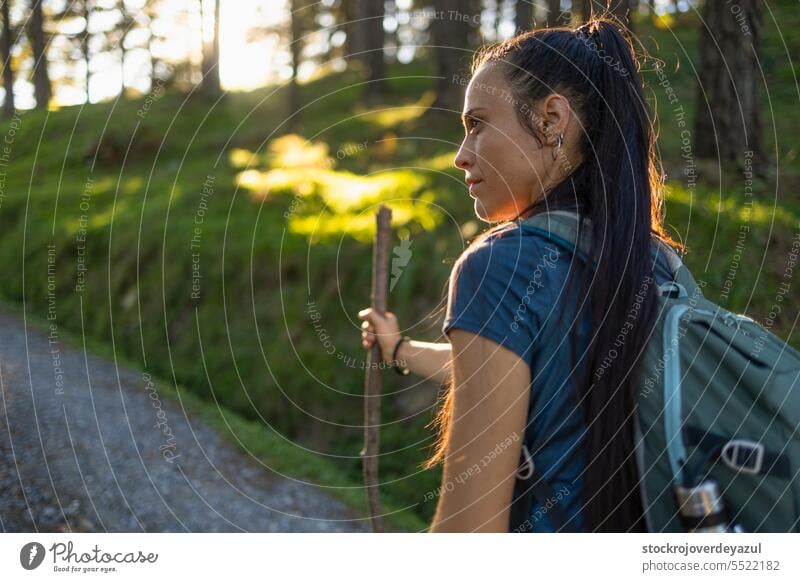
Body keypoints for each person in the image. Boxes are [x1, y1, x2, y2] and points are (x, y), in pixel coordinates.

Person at [358, 18, 683, 533]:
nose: (460, 155)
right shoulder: (656, 263)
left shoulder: (503, 266)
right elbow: (523, 369)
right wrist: (399, 349)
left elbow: (469, 537)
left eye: (477, 124)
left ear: (552, 118)